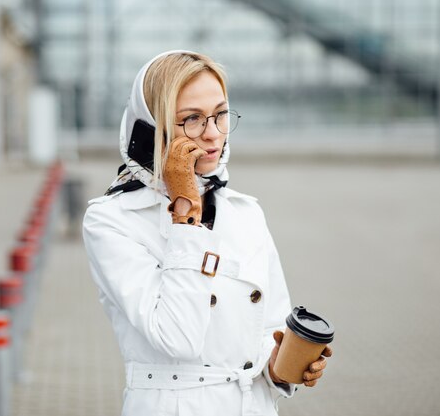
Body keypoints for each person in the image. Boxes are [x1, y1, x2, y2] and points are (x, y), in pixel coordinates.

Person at [82, 50, 332, 416]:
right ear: (152, 128)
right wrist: (185, 209)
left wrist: (283, 366)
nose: (213, 134)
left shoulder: (245, 212)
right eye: (192, 119)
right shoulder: (111, 220)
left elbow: (269, 328)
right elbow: (177, 337)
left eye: (220, 115)